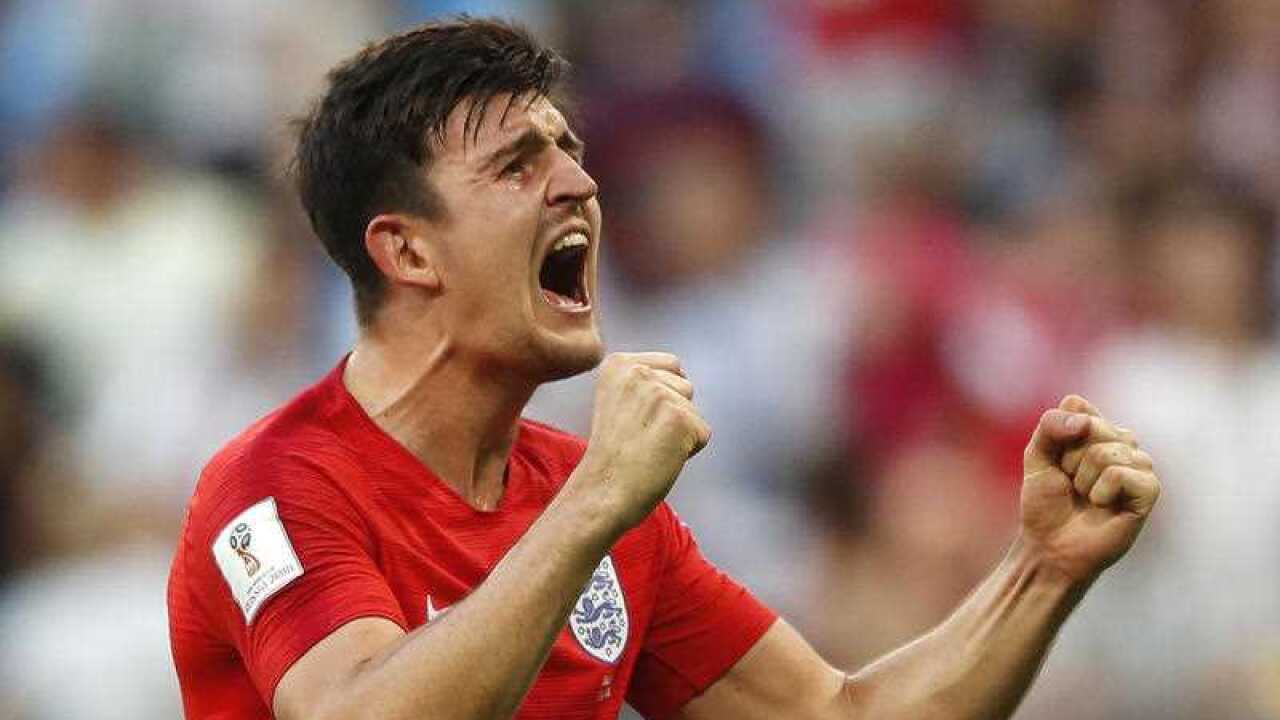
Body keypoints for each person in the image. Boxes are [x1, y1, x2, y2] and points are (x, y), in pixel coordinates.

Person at [167, 18, 1161, 720]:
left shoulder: (589, 502)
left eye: (568, 149)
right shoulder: (279, 485)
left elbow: (839, 716)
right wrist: (596, 501)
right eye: (518, 166)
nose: (580, 182)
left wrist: (1039, 570)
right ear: (407, 252)